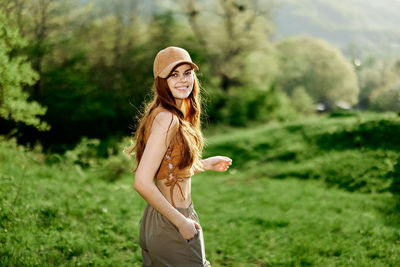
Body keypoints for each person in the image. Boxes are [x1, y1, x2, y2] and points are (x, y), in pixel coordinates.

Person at [128, 46, 232, 266]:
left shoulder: (162, 114)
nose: (183, 80)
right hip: (173, 220)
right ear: (160, 81)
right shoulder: (168, 120)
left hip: (157, 218)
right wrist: (181, 222)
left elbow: (167, 169)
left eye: (187, 73)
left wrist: (203, 164)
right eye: (174, 74)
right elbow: (142, 182)